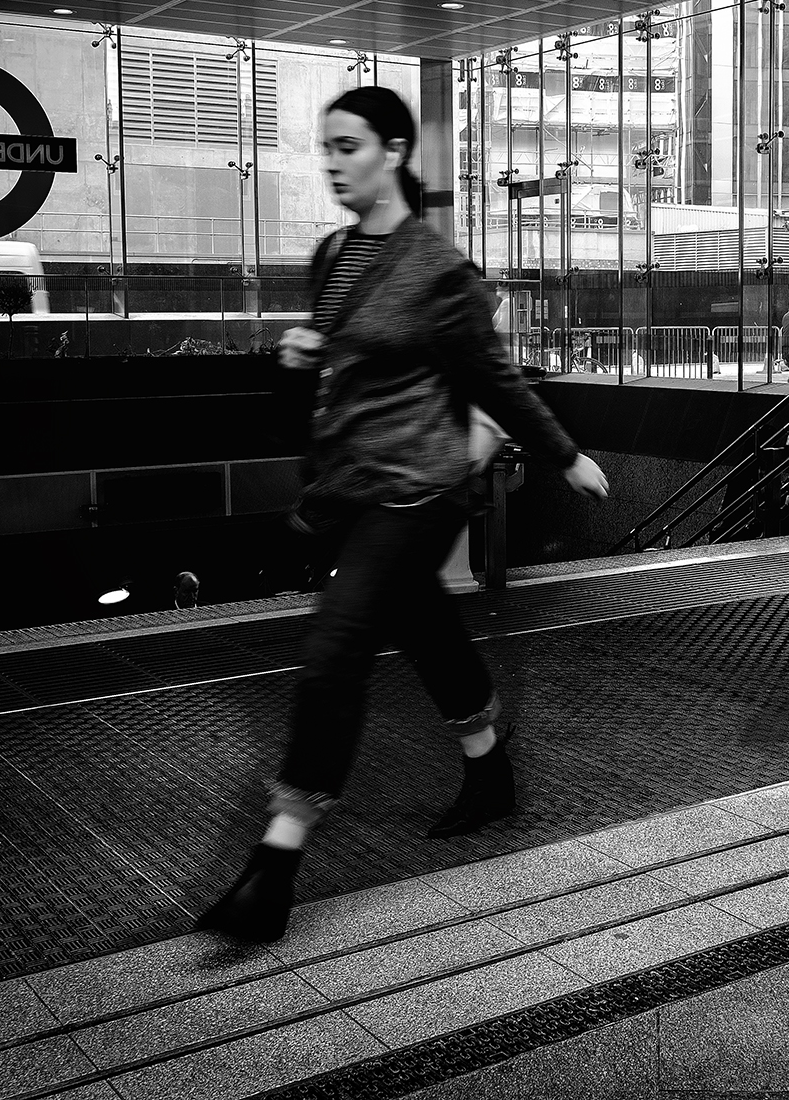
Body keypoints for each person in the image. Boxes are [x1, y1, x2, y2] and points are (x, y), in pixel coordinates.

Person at [197, 86, 610, 944]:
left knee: (335, 647)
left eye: (348, 146)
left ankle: (277, 858)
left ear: (391, 150)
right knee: (427, 628)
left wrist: (565, 455)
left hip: (417, 490)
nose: (333, 162)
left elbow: (492, 379)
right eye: (327, 148)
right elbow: (318, 391)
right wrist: (293, 360)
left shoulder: (436, 269)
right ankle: (489, 772)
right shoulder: (330, 256)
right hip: (348, 490)